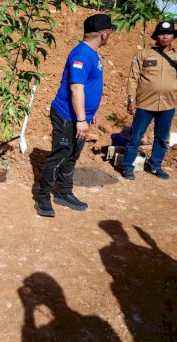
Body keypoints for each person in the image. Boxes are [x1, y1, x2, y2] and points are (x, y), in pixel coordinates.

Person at [35, 14, 115, 217]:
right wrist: (81, 119)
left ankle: (64, 193)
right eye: (110, 32)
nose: (111, 36)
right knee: (59, 156)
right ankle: (43, 198)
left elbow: (88, 86)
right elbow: (76, 89)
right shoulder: (81, 54)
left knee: (71, 156)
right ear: (104, 34)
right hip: (67, 116)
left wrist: (90, 113)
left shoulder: (92, 53)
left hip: (80, 117)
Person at [122, 21, 177, 180]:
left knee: (162, 137)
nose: (165, 36)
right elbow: (133, 78)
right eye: (161, 33)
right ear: (156, 36)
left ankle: (155, 165)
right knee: (136, 136)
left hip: (167, 104)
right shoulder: (144, 54)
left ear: (173, 36)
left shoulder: (176, 56)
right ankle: (127, 166)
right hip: (144, 104)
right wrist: (131, 99)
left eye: (169, 33)